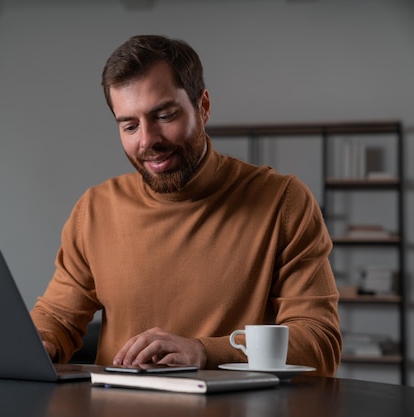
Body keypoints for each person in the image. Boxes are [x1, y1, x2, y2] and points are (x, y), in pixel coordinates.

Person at [30, 34, 342, 376]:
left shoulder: (283, 201)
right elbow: (57, 317)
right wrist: (39, 342)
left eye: (164, 116)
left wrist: (203, 351)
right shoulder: (94, 209)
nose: (147, 140)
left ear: (203, 106)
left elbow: (319, 343)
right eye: (130, 126)